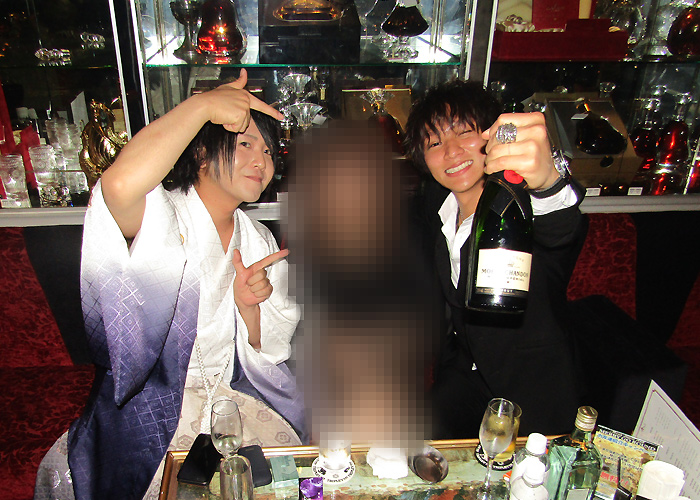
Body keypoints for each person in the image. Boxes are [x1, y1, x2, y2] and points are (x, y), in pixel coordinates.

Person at [35, 69, 305, 500]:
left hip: (228, 396)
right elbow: (118, 184)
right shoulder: (160, 217)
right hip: (155, 401)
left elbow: (267, 351)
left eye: (269, 151)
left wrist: (249, 308)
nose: (261, 161)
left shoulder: (258, 239)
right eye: (246, 144)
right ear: (201, 151)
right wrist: (202, 105)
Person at [404, 79, 588, 438]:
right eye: (435, 143)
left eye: (464, 133)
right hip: (465, 374)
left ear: (493, 137)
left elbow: (560, 228)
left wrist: (548, 182)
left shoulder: (519, 208)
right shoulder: (437, 206)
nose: (452, 151)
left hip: (535, 388)